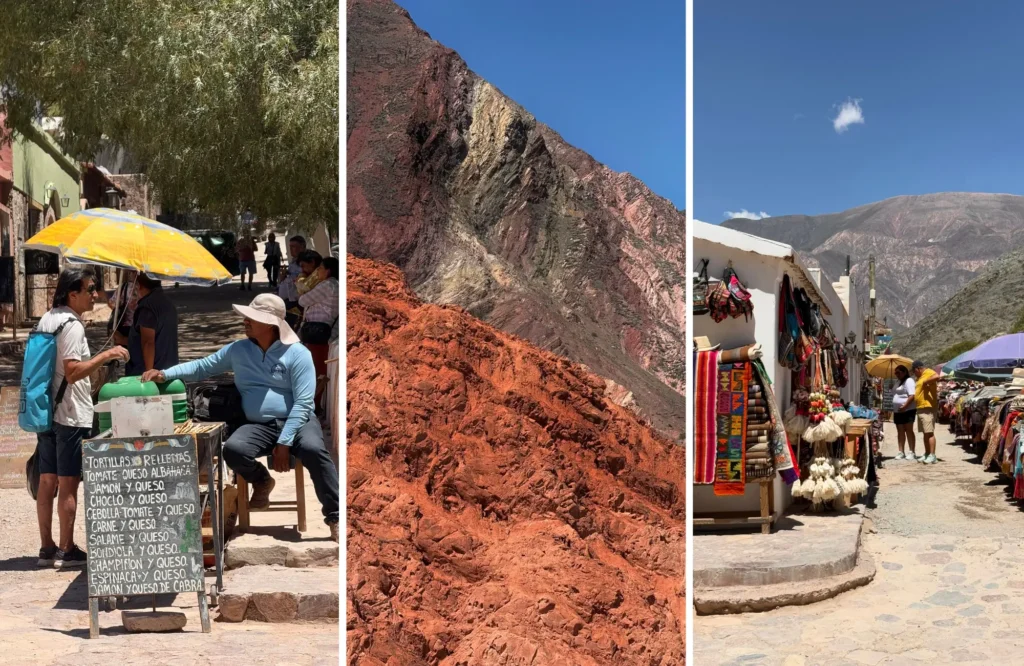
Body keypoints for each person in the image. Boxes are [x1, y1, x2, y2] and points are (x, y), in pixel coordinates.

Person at [142, 294, 339, 541]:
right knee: (233, 449)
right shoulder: (239, 349)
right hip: (259, 424)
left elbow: (302, 403)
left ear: (270, 324)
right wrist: (164, 374)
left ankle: (336, 517)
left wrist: (285, 442)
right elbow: (203, 366)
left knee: (314, 451)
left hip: (297, 422)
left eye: (252, 318)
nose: (245, 321)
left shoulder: (298, 354)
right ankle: (262, 480)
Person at [36, 267, 130, 568]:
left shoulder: (48, 318)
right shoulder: (72, 326)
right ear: (72, 293)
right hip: (71, 414)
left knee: (47, 480)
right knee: (68, 482)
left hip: (47, 410)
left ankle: (46, 548)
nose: (94, 295)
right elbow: (74, 372)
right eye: (89, 289)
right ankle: (67, 548)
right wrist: (108, 354)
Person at [298, 256, 339, 411]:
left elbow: (302, 300)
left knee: (314, 369)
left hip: (317, 332)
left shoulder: (326, 285)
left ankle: (313, 405)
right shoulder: (334, 285)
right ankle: (315, 404)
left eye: (320, 268)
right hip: (325, 333)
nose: (318, 272)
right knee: (318, 368)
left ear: (328, 270)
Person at [124, 273, 179, 376]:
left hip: (151, 373)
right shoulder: (167, 302)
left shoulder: (148, 307)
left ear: (139, 286)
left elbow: (148, 342)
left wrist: (149, 373)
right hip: (169, 370)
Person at [912, 359, 941, 464]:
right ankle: (927, 453)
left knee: (929, 432)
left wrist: (926, 381)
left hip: (927, 407)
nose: (914, 374)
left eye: (914, 371)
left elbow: (937, 376)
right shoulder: (920, 377)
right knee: (925, 432)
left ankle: (933, 455)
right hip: (921, 407)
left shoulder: (927, 372)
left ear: (918, 369)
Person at [278, 236, 306, 328]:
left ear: (302, 247)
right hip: (287, 300)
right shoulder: (293, 262)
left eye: (293, 246)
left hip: (297, 302)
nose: (291, 249)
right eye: (290, 246)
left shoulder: (305, 262)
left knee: (293, 327)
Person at [892, 365, 918, 461]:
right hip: (898, 410)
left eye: (898, 372)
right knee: (900, 430)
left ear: (904, 372)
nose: (896, 375)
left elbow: (912, 395)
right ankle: (901, 451)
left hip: (908, 410)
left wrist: (905, 406)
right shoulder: (898, 382)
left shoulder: (909, 381)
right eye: (895, 373)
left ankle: (912, 451)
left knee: (908, 430)